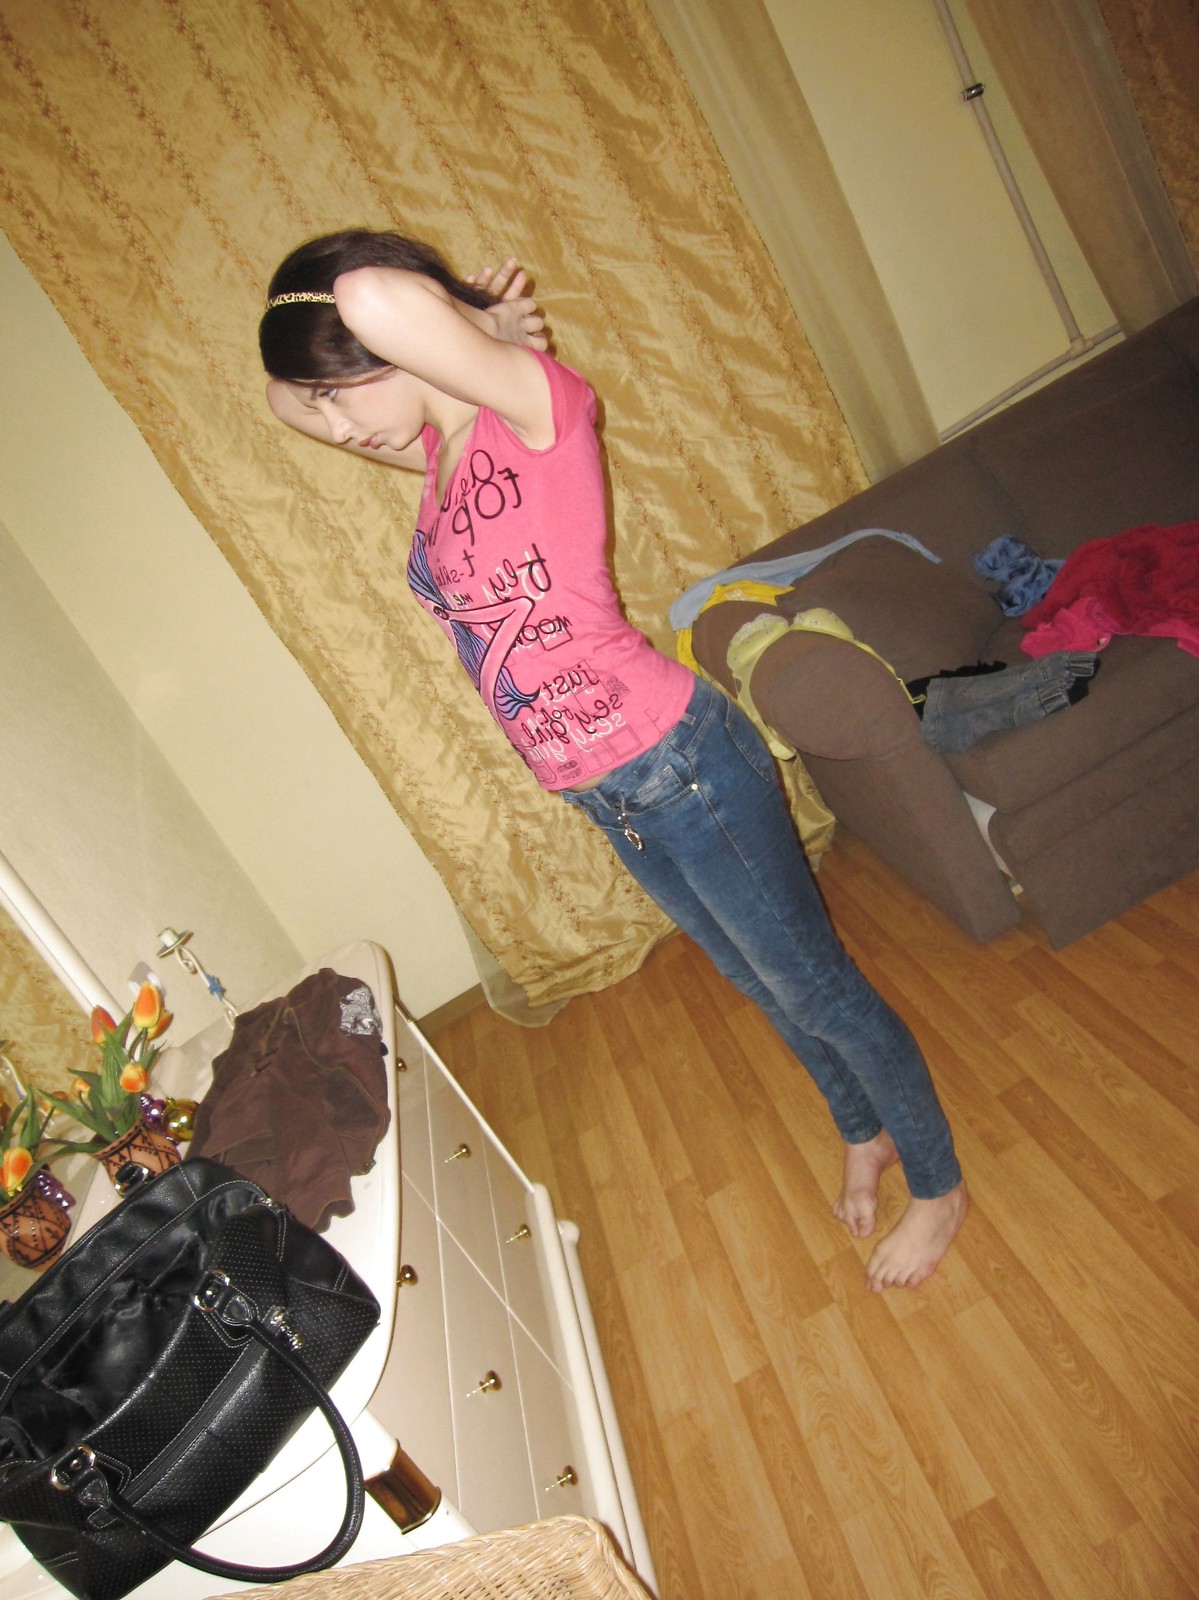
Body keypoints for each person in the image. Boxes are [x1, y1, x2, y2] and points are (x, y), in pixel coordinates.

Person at [259, 228, 969, 1292]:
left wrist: (475, 329)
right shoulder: (437, 456)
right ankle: (861, 1128)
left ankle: (939, 1182)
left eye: (338, 392)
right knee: (759, 982)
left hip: (682, 764)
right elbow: (281, 394)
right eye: (322, 407)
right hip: (611, 794)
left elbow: (365, 292)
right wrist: (349, 376)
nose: (333, 424)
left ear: (400, 340)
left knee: (818, 988)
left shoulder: (531, 407)